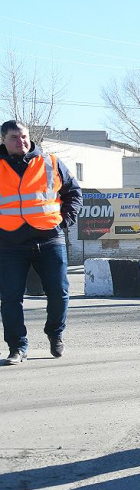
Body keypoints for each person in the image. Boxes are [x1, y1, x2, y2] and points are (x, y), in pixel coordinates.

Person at [0, 121, 82, 365]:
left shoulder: (51, 162)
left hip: (49, 238)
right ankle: (17, 347)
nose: (21, 141)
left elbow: (74, 193)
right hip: (9, 242)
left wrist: (64, 221)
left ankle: (55, 333)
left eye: (24, 136)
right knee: (11, 298)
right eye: (14, 137)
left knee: (59, 292)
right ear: (3, 139)